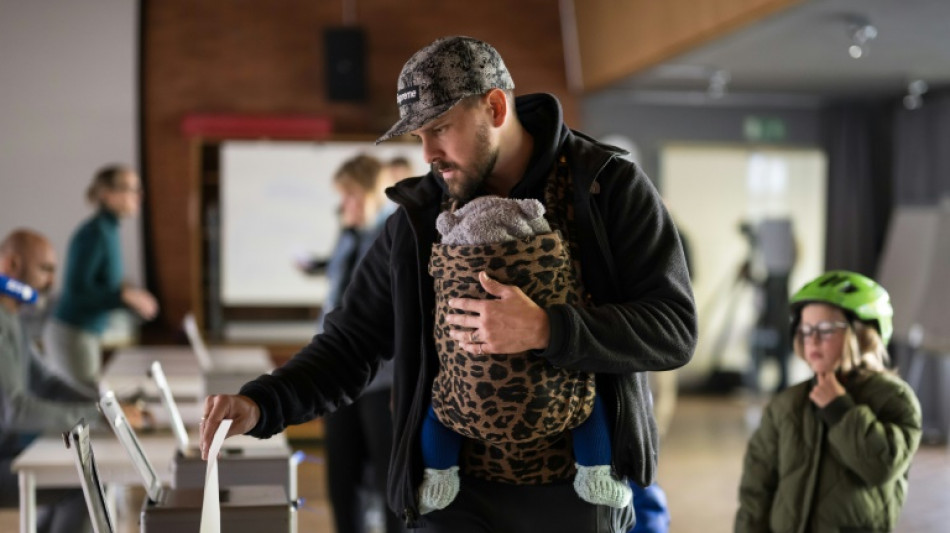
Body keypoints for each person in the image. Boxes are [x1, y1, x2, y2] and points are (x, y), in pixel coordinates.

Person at [201, 36, 696, 533]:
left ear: (495, 107)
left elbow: (672, 329)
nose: (429, 154)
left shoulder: (607, 186)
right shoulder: (416, 220)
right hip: (451, 491)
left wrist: (549, 329)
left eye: (440, 128)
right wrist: (262, 403)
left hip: (578, 493)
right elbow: (352, 344)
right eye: (419, 136)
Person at [735, 270, 922, 532]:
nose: (812, 339)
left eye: (825, 329)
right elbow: (756, 488)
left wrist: (840, 409)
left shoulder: (895, 398)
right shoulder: (786, 404)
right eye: (805, 329)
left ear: (863, 334)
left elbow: (881, 466)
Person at [297, 154, 405, 533]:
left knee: (390, 485)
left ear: (372, 194)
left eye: (351, 197)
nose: (344, 207)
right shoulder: (347, 235)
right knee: (342, 480)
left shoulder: (393, 235)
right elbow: (337, 298)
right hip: (339, 376)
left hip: (383, 381)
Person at [0, 229, 100, 533]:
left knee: (79, 477)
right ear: (12, 266)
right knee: (83, 483)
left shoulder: (11, 316)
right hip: (6, 457)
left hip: (10, 451)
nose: (51, 283)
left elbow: (47, 383)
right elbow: (15, 411)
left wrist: (102, 406)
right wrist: (95, 416)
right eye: (45, 269)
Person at [43, 165, 158, 392]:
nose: (139, 196)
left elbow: (105, 283)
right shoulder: (95, 232)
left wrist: (129, 293)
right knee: (89, 408)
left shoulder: (109, 230)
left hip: (86, 331)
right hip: (73, 331)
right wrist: (125, 296)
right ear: (106, 194)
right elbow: (79, 291)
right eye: (130, 189)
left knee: (94, 406)